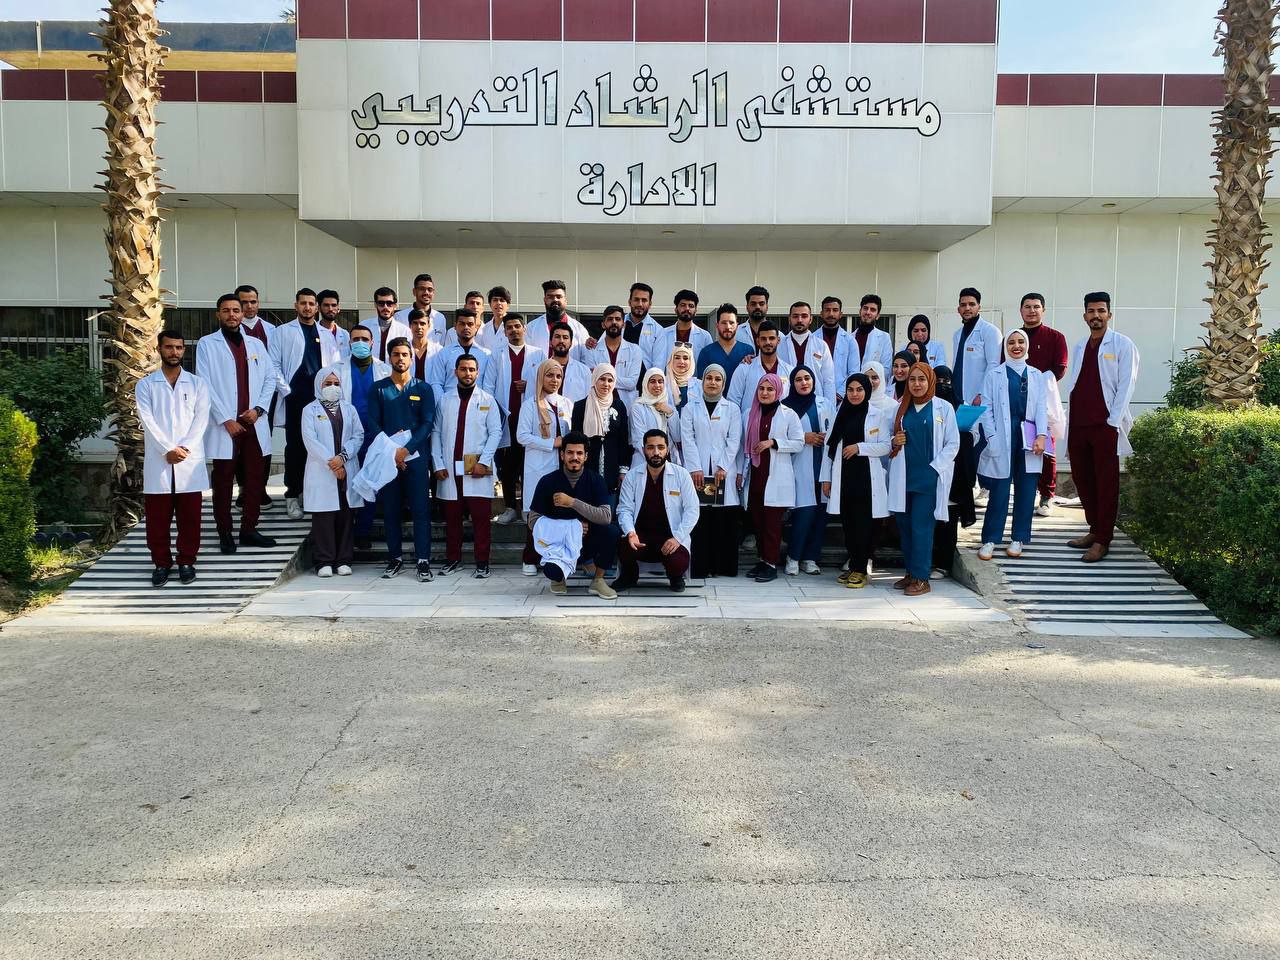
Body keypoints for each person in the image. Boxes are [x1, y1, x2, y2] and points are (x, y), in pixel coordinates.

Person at [197, 294, 278, 554]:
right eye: (226, 310)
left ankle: (249, 529)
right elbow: (204, 383)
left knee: (255, 478)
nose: (232, 315)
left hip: (254, 421)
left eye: (236, 310)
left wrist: (259, 410)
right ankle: (225, 532)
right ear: (218, 314)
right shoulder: (207, 344)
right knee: (223, 481)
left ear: (242, 314)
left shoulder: (256, 344)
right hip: (226, 425)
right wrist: (225, 419)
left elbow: (270, 379)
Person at [1066, 292, 1139, 563]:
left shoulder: (1122, 344)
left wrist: (1112, 423)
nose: (1095, 316)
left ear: (1109, 314)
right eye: (1091, 311)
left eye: (1101, 311)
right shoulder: (1080, 346)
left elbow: (1126, 385)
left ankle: (1103, 540)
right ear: (1084, 315)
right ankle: (1094, 529)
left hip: (1105, 426)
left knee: (1106, 483)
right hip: (1079, 425)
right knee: (1083, 480)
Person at [137, 329, 210, 586]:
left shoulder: (198, 384)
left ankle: (186, 561)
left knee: (190, 518)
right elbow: (147, 420)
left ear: (184, 350)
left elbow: (201, 420)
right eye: (169, 347)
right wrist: (167, 448)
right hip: (160, 461)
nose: (174, 352)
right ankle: (161, 564)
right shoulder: (146, 385)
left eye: (178, 347)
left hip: (189, 461)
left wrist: (184, 448)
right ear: (159, 349)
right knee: (157, 520)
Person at [974, 330, 1051, 561]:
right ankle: (990, 538)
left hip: (1029, 437)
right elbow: (986, 409)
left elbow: (1041, 408)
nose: (1016, 346)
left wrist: (1041, 435)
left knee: (1026, 489)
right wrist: (992, 437)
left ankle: (1019, 537)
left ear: (1026, 346)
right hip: (1002, 436)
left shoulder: (1037, 375)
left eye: (1020, 342)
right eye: (1011, 342)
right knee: (999, 489)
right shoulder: (994, 374)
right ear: (1005, 347)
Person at [366, 337, 437, 581]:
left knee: (421, 510)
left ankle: (423, 560)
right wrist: (392, 451)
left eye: (405, 354)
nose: (400, 358)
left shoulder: (423, 388)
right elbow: (373, 423)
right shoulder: (378, 388)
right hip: (388, 458)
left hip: (415, 458)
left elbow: (427, 423)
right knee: (391, 510)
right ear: (389, 358)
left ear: (411, 358)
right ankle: (394, 558)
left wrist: (406, 450)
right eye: (396, 354)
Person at [888, 363, 960, 596]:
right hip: (903, 477)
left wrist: (935, 468)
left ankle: (921, 577)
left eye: (922, 379)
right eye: (912, 379)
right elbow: (889, 438)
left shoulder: (943, 408)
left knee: (921, 528)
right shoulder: (901, 408)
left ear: (930, 382)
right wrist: (894, 441)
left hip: (928, 478)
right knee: (905, 527)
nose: (917, 384)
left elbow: (953, 443)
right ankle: (910, 572)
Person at [270, 287, 342, 519]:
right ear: (296, 306)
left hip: (322, 399)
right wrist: (287, 390)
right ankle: (293, 494)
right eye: (303, 303)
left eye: (311, 304)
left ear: (316, 307)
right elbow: (273, 364)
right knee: (295, 447)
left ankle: (312, 495)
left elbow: (335, 366)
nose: (308, 307)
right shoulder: (283, 332)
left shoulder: (326, 334)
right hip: (295, 398)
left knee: (322, 445)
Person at [432, 354, 501, 578]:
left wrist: (484, 461)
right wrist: (437, 463)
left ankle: (482, 562)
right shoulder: (445, 400)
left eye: (472, 369)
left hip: (477, 468)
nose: (467, 373)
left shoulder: (487, 400)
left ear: (478, 373)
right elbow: (436, 432)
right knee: (452, 519)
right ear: (455, 372)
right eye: (463, 369)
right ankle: (453, 559)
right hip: (450, 467)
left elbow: (496, 433)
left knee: (481, 519)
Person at [820, 373, 891, 588]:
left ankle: (860, 569)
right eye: (850, 390)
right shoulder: (840, 414)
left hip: (866, 479)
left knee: (863, 525)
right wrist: (826, 479)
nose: (854, 394)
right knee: (848, 525)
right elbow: (829, 449)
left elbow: (886, 446)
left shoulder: (877, 415)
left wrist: (860, 448)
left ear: (867, 391)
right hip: (843, 478)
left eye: (859, 389)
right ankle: (853, 566)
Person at [527, 430, 616, 598]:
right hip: (558, 545)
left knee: (611, 531)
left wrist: (572, 502)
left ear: (586, 456)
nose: (575, 457)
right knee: (552, 571)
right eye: (570, 452)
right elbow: (532, 520)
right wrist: (570, 527)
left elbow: (606, 517)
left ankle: (598, 580)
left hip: (588, 543)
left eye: (579, 453)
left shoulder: (596, 480)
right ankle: (558, 578)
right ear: (562, 455)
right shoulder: (547, 481)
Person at [615, 430, 699, 593]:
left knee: (678, 561)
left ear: (667, 449)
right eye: (650, 447)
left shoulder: (681, 475)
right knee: (624, 546)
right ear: (643, 449)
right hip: (641, 537)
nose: (656, 452)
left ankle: (675, 577)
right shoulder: (632, 476)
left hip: (670, 536)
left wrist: (677, 538)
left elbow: (692, 510)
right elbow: (624, 509)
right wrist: (631, 533)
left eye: (660, 447)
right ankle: (629, 575)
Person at [740, 373, 805, 582]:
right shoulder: (750, 413)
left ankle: (771, 564)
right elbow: (743, 445)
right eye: (762, 389)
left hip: (776, 476)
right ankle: (762, 560)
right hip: (756, 475)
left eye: (770, 389)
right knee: (758, 522)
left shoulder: (788, 414)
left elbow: (799, 443)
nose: (765, 393)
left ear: (778, 391)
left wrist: (774, 442)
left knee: (772, 524)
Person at [680, 364, 743, 578]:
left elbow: (734, 440)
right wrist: (695, 467)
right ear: (703, 381)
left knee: (722, 519)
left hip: (723, 471)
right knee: (701, 518)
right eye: (709, 378)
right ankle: (701, 567)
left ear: (723, 384)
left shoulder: (732, 409)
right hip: (697, 471)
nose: (713, 382)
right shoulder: (690, 408)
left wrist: (723, 466)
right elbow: (687, 439)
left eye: (718, 379)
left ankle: (722, 567)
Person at [484, 312, 543, 525]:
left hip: (529, 418)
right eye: (509, 327)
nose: (514, 330)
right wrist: (494, 414)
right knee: (507, 467)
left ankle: (527, 507)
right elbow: (488, 386)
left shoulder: (538, 354)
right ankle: (510, 507)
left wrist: (530, 386)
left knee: (529, 465)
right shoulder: (497, 354)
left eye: (517, 326)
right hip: (505, 418)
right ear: (505, 332)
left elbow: (546, 384)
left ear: (524, 329)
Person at [303, 366, 363, 577]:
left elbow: (358, 435)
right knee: (324, 517)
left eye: (336, 384)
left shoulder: (349, 409)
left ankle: (343, 560)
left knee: (345, 515)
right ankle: (324, 561)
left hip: (346, 467)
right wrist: (333, 464)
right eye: (328, 384)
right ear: (319, 385)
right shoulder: (309, 410)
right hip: (323, 469)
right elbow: (310, 441)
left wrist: (343, 458)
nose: (333, 387)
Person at [517, 359, 573, 575]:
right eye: (550, 375)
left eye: (558, 376)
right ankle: (530, 558)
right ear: (541, 377)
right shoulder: (530, 404)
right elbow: (522, 436)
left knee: (560, 512)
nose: (555, 380)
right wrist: (551, 443)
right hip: (539, 467)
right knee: (538, 513)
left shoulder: (566, 403)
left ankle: (555, 558)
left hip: (563, 468)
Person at [1017, 293, 1070, 516]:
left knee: (1046, 447)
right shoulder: (1015, 337)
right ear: (1021, 310)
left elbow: (1060, 367)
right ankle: (1023, 493)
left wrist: (1040, 383)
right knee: (1020, 447)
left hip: (1045, 399)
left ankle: (1047, 495)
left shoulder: (1055, 337)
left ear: (1043, 310)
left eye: (1036, 307)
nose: (1032, 311)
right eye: (1027, 307)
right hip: (1017, 399)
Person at [340, 324, 390, 550]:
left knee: (369, 483)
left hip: (375, 434)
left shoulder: (384, 370)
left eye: (364, 339)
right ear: (349, 343)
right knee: (348, 484)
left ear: (372, 343)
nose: (360, 343)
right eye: (355, 339)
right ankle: (345, 534)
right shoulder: (336, 370)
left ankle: (363, 532)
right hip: (347, 434)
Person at [781, 365, 835, 575]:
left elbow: (835, 430)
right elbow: (778, 436)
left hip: (823, 465)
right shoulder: (785, 407)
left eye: (807, 378)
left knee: (821, 515)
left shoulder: (824, 403)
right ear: (792, 383)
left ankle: (810, 558)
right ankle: (793, 556)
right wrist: (804, 438)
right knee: (804, 513)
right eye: (798, 379)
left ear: (813, 381)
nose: (804, 383)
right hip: (798, 466)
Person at [930, 365, 977, 576]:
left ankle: (943, 564)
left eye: (946, 382)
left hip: (956, 473)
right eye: (938, 381)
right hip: (932, 469)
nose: (942, 385)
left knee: (949, 520)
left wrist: (959, 433)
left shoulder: (961, 406)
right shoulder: (929, 406)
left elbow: (974, 435)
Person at [235, 283, 277, 510]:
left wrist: (263, 403)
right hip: (238, 398)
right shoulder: (231, 331)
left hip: (264, 399)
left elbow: (274, 367)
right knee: (240, 444)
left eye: (253, 301)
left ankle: (260, 488)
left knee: (263, 444)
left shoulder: (271, 330)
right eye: (244, 302)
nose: (249, 306)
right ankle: (244, 488)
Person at [572, 363, 631, 498]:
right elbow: (576, 440)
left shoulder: (619, 405)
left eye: (610, 380)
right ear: (594, 380)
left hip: (612, 465)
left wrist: (623, 470)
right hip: (587, 465)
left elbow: (623, 439)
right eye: (602, 379)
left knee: (609, 504)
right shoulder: (581, 406)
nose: (606, 384)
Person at [726, 320, 792, 416]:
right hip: (749, 423)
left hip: (781, 423)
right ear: (758, 341)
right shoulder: (744, 369)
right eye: (763, 339)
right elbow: (733, 402)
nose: (768, 342)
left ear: (778, 340)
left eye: (771, 338)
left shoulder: (789, 371)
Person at [584, 305, 645, 408]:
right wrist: (622, 381)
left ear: (623, 324)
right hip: (600, 405)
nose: (614, 322)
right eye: (610, 319)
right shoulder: (592, 350)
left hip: (626, 405)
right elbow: (592, 381)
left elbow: (632, 383)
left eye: (618, 319)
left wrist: (602, 377)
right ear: (603, 325)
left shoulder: (635, 350)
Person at [949, 287, 1002, 407]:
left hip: (979, 398)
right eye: (963, 305)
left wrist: (982, 394)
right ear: (958, 309)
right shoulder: (957, 335)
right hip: (957, 396)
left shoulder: (990, 331)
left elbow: (994, 365)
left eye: (972, 304)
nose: (967, 308)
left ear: (979, 307)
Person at [777, 301, 837, 403]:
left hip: (815, 401)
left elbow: (829, 381)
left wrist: (830, 406)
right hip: (787, 400)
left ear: (810, 319)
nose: (799, 320)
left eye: (804, 316)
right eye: (795, 316)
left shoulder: (821, 346)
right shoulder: (779, 346)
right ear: (789, 319)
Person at [427, 307, 492, 398]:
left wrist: (485, 403)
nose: (466, 327)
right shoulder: (444, 353)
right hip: (450, 402)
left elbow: (489, 385)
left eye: (470, 324)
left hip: (478, 403)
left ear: (476, 327)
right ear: (455, 326)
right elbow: (436, 383)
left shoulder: (486, 355)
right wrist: (443, 403)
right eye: (462, 324)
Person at [527, 279, 593, 360]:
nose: (555, 300)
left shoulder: (579, 329)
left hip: (571, 368)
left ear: (565, 300)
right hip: (540, 368)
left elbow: (587, 358)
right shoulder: (531, 328)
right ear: (545, 300)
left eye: (559, 297)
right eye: (550, 297)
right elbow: (527, 358)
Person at [696, 303, 754, 387]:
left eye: (731, 323)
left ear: (737, 326)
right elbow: (702, 384)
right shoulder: (706, 353)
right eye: (724, 323)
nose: (728, 327)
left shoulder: (747, 351)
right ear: (717, 325)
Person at [651, 289, 711, 367]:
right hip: (667, 375)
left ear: (696, 311)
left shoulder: (705, 336)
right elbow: (658, 362)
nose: (687, 309)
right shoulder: (663, 334)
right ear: (676, 309)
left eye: (691, 306)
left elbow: (709, 366)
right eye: (683, 305)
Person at [663, 344, 701, 463]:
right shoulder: (662, 383)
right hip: (669, 441)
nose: (681, 362)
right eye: (677, 357)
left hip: (694, 442)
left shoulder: (699, 386)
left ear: (691, 361)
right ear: (671, 360)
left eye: (685, 358)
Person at [630, 368, 674, 469]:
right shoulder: (638, 407)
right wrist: (656, 458)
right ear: (646, 384)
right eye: (653, 381)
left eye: (660, 381)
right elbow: (639, 439)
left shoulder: (669, 407)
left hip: (668, 461)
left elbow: (677, 437)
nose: (657, 385)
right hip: (644, 461)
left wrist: (670, 413)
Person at [537, 321, 592, 402]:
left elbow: (589, 400)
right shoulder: (539, 369)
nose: (561, 341)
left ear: (571, 343)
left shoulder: (584, 371)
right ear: (550, 342)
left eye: (565, 337)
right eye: (557, 337)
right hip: (544, 410)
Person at [392, 274, 446, 344]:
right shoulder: (400, 317)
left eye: (430, 290)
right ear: (414, 292)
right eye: (422, 289)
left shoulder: (440, 318)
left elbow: (442, 345)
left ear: (433, 293)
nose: (426, 292)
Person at [818, 296, 858, 387]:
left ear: (840, 314)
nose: (831, 314)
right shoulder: (813, 339)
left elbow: (854, 372)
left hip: (842, 392)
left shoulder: (850, 341)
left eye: (835, 310)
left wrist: (841, 392)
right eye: (827, 310)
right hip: (818, 391)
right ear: (821, 314)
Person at [368, 286, 414, 361]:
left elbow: (408, 357)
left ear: (395, 305)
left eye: (389, 303)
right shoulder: (364, 326)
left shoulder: (404, 331)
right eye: (381, 303)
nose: (385, 307)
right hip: (371, 368)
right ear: (375, 305)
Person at [851, 294, 893, 373]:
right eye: (865, 308)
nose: (868, 312)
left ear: (878, 316)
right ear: (860, 312)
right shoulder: (849, 338)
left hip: (874, 380)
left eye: (872, 310)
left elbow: (886, 369)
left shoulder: (884, 338)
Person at [620, 281, 664, 356]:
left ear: (650, 304)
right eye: (636, 299)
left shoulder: (658, 331)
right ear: (629, 302)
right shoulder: (617, 323)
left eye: (644, 300)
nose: (640, 304)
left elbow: (659, 361)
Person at [406, 308, 442, 382]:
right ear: (410, 325)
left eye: (422, 323)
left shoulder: (439, 350)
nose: (419, 327)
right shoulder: (404, 349)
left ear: (429, 325)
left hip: (431, 388)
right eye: (415, 323)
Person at [476, 285, 512, 354]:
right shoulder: (485, 329)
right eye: (495, 300)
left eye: (502, 300)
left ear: (508, 305)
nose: (498, 303)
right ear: (490, 304)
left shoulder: (514, 327)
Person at [317, 289, 351, 360]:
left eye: (334, 305)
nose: (330, 309)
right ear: (319, 308)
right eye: (326, 305)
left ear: (338, 308)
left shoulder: (345, 334)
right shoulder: (313, 332)